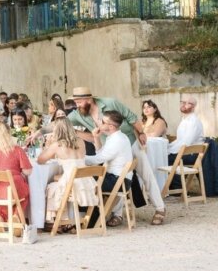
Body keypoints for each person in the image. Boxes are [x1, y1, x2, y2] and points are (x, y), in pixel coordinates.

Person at [69, 87, 166, 225]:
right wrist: (39, 133)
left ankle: (160, 209)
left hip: (130, 140)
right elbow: (61, 123)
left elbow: (132, 118)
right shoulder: (78, 114)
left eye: (79, 101)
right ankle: (117, 214)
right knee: (116, 173)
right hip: (109, 146)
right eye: (75, 101)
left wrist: (141, 133)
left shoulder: (110, 103)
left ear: (89, 99)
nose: (76, 104)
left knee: (146, 174)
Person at [40, 118, 96, 232]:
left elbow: (40, 160)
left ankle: (55, 222)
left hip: (73, 183)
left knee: (51, 186)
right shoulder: (80, 141)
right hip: (86, 181)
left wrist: (47, 146)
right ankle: (65, 221)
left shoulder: (57, 145)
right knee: (56, 181)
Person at [84, 110, 135, 227]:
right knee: (87, 178)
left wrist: (78, 159)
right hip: (118, 178)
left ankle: (89, 219)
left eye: (102, 121)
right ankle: (89, 216)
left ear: (111, 126)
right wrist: (96, 138)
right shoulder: (116, 136)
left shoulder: (117, 140)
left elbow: (99, 159)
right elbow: (102, 154)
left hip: (118, 181)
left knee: (84, 180)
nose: (99, 123)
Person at [0, 122, 32, 222]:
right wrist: (20, 173)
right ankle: (16, 216)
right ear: (9, 133)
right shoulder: (17, 150)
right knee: (22, 193)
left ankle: (1, 215)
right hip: (12, 187)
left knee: (5, 193)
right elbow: (28, 171)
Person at [168, 95, 204, 161]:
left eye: (188, 103)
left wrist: (169, 151)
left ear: (193, 107)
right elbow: (179, 140)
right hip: (183, 152)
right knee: (160, 156)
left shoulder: (193, 121)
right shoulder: (184, 120)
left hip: (191, 155)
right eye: (183, 102)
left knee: (162, 159)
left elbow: (186, 143)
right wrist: (168, 147)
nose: (184, 104)